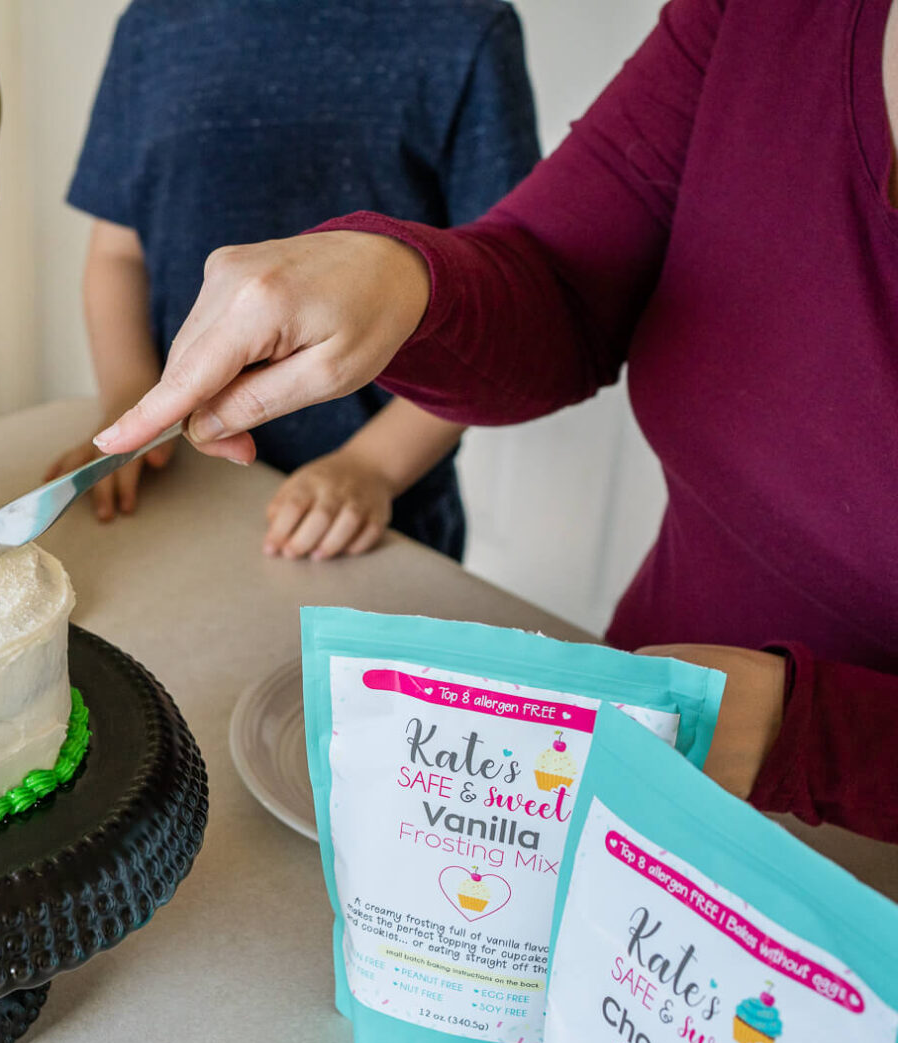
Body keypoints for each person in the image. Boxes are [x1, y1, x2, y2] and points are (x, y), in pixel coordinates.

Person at [92, 0, 898, 843]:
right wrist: (402, 277)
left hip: (835, 832)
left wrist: (800, 735)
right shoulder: (765, 18)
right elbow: (560, 284)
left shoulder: (462, 36)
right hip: (642, 726)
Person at [47, 0, 539, 561]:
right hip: (180, 494)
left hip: (375, 519)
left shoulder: (468, 31)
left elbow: (501, 302)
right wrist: (127, 404)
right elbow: (118, 255)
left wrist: (372, 466)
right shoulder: (149, 28)